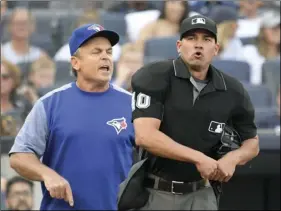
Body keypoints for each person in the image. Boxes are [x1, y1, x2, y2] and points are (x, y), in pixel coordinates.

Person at [130, 14, 259, 210]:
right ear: (179, 46)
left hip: (203, 193)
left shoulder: (232, 89)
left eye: (206, 39)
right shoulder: (154, 75)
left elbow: (252, 142)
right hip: (158, 191)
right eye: (191, 38)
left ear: (216, 48)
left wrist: (233, 159)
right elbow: (145, 136)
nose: (198, 45)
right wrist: (199, 158)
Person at [9, 23, 135, 210]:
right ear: (76, 63)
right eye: (96, 52)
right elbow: (19, 156)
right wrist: (47, 174)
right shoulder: (50, 104)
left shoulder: (132, 104)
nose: (105, 57)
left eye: (109, 52)